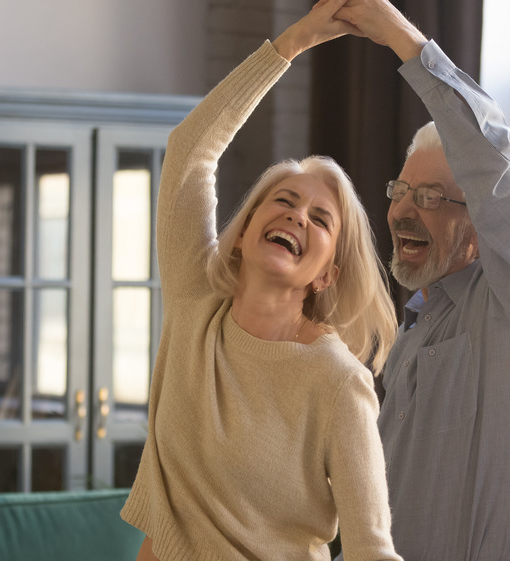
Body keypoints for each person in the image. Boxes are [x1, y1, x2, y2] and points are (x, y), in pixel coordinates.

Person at [119, 2, 402, 560]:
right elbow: (190, 153)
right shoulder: (195, 301)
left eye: (320, 220)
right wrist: (289, 45)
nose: (298, 216)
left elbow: (372, 548)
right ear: (245, 231)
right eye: (285, 201)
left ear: (326, 274)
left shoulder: (337, 382)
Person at [333, 2, 510, 560]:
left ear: (481, 221)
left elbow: (491, 161)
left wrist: (398, 35)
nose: (402, 212)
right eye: (401, 191)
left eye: (432, 198)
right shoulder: (416, 326)